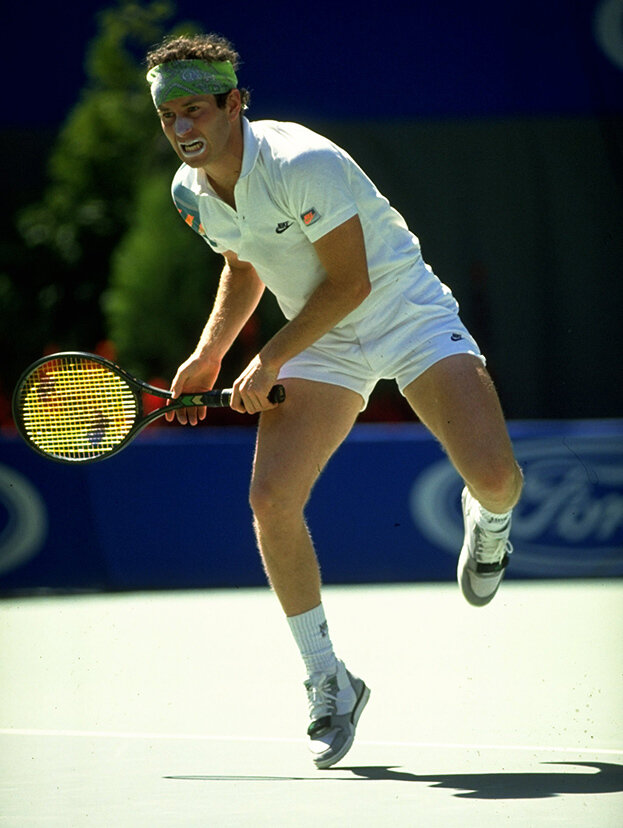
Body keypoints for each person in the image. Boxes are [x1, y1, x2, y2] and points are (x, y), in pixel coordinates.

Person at [144, 33, 523, 769]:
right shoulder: (189, 192)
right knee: (270, 500)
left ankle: (491, 517)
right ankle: (329, 679)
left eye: (195, 110)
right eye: (168, 116)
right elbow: (244, 263)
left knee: (497, 477)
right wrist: (210, 354)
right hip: (322, 341)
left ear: (234, 103)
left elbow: (351, 284)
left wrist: (266, 358)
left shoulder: (300, 163)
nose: (182, 128)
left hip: (403, 314)